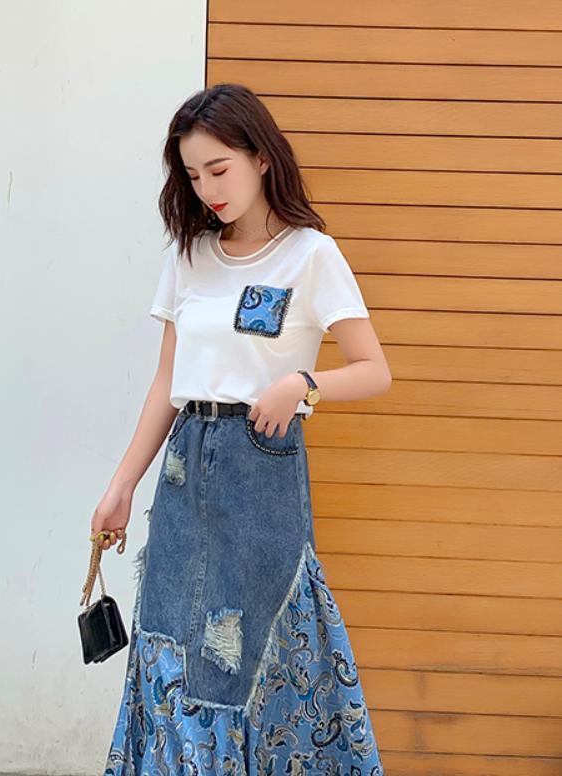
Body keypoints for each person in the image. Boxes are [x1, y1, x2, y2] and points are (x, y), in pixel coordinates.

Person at [90, 83, 391, 775]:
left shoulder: (310, 255)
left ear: (261, 158)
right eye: (193, 175)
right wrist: (121, 486)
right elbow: (167, 385)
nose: (207, 189)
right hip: (183, 469)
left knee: (246, 652)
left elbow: (374, 370)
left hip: (261, 464)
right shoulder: (189, 254)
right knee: (172, 639)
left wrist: (302, 384)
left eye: (218, 169)